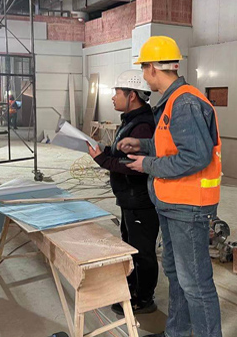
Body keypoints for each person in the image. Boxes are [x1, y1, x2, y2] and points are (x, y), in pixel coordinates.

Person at [116, 36, 223, 337]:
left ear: (153, 68)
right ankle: (177, 332)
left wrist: (147, 164)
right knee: (177, 275)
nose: (144, 74)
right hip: (173, 203)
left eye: (144, 68)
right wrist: (142, 145)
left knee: (196, 283)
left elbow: (196, 156)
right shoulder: (172, 101)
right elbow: (171, 145)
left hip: (189, 207)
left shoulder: (184, 102)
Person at [87, 70, 159, 315]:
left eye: (117, 92)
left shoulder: (143, 126)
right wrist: (105, 151)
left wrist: (102, 160)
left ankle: (144, 298)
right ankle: (132, 287)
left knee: (142, 251)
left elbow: (135, 166)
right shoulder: (131, 121)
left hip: (141, 200)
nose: (113, 97)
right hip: (129, 198)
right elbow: (122, 153)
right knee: (131, 246)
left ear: (132, 95)